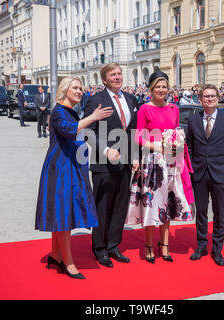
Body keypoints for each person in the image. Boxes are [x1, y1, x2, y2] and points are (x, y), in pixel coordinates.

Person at [35, 77, 114, 280]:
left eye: (81, 88)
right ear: (65, 90)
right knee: (63, 215)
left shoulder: (70, 110)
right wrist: (93, 117)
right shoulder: (60, 111)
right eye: (75, 88)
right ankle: (67, 262)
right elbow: (72, 130)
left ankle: (55, 254)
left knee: (63, 212)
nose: (80, 91)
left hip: (69, 165)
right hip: (61, 167)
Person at [126, 71, 194, 264]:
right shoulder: (144, 109)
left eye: (164, 87)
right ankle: (148, 245)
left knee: (168, 203)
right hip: (153, 161)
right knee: (151, 204)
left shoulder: (174, 108)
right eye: (158, 87)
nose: (161, 90)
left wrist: (178, 142)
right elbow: (138, 135)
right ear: (151, 89)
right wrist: (155, 145)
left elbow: (176, 131)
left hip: (172, 161)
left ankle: (164, 245)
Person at [83, 63, 140, 268]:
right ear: (104, 80)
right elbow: (88, 131)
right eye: (112, 75)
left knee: (119, 206)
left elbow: (133, 131)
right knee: (103, 206)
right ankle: (100, 249)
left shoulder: (132, 99)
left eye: (119, 74)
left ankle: (114, 246)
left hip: (125, 163)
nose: (117, 77)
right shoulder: (95, 100)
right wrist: (106, 150)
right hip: (103, 163)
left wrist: (135, 156)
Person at [186, 84, 224, 266]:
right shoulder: (193, 120)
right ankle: (201, 246)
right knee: (200, 212)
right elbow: (189, 147)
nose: (209, 99)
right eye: (206, 96)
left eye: (212, 96)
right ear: (200, 100)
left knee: (219, 213)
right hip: (199, 174)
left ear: (217, 98)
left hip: (220, 175)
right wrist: (191, 169)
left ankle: (217, 250)